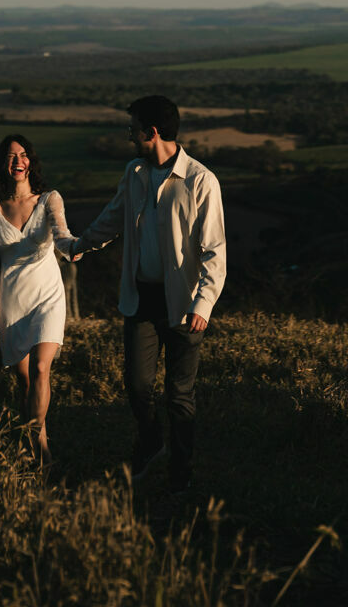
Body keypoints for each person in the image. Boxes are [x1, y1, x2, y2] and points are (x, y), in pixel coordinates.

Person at [70, 94, 226, 496]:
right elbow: (114, 216)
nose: (129, 136)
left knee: (179, 394)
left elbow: (215, 251)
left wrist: (203, 305)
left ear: (151, 132)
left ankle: (181, 469)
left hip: (185, 306)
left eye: (133, 129)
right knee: (138, 386)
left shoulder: (200, 180)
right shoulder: (135, 172)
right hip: (141, 300)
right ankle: (152, 440)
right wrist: (81, 244)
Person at [0, 133, 79, 464]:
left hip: (47, 296)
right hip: (12, 301)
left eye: (22, 155)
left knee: (42, 368)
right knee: (25, 383)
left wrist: (79, 246)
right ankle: (37, 446)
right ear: (2, 164)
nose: (17, 161)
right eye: (9, 156)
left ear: (30, 161)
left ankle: (42, 456)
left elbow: (62, 237)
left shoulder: (50, 200)